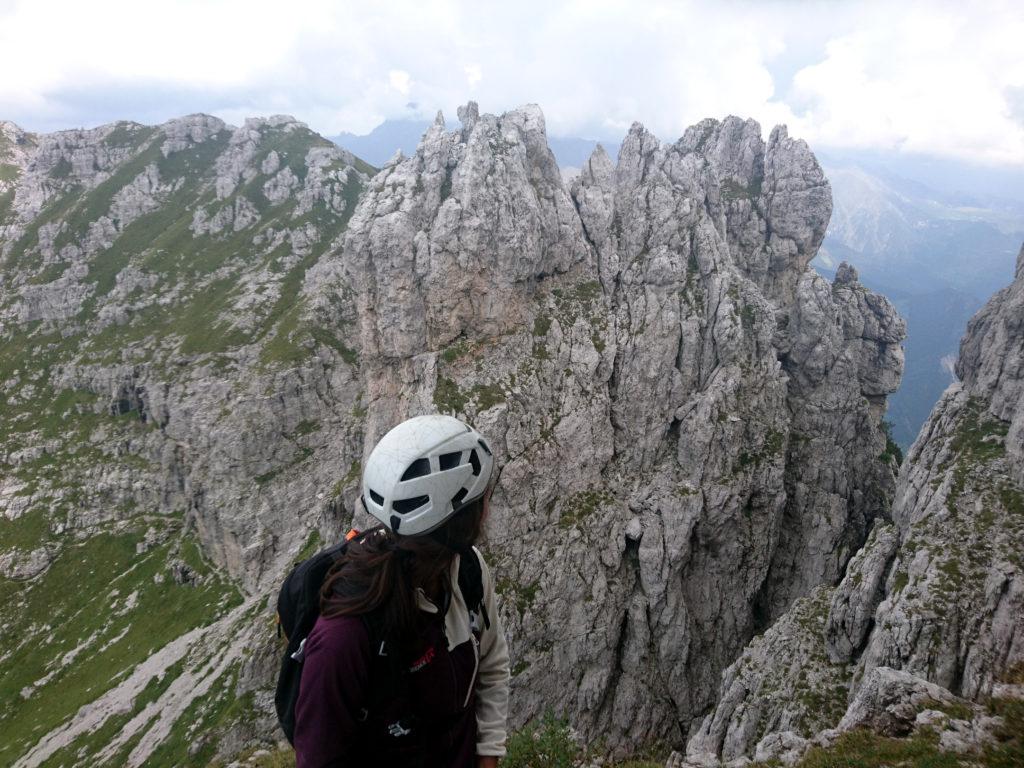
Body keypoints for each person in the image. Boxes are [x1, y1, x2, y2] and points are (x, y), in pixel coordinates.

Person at [294, 414, 510, 767]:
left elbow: (492, 663)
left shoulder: (467, 568)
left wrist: (488, 757)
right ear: (460, 520)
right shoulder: (343, 637)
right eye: (482, 497)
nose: (489, 507)